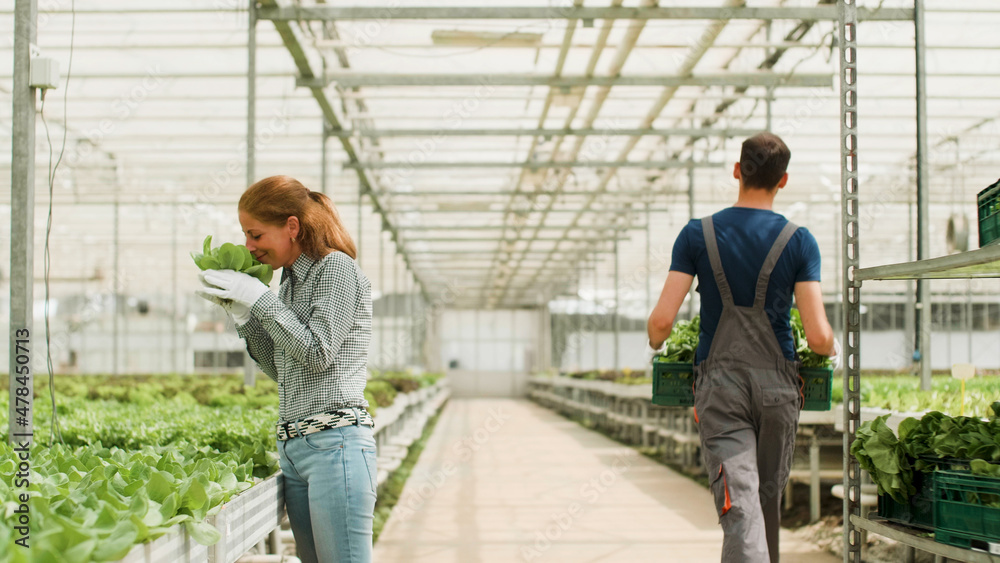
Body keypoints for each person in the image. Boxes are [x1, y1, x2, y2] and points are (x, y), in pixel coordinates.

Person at [645, 133, 839, 563]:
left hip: (722, 391)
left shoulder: (698, 236)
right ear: (783, 180)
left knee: (742, 508)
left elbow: (661, 322)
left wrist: (658, 340)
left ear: (737, 170)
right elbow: (819, 337)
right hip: (778, 391)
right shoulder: (799, 240)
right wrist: (831, 348)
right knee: (760, 505)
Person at [197, 175, 376, 563]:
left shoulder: (336, 269)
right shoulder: (291, 284)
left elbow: (317, 352)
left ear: (291, 227)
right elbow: (285, 367)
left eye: (256, 235)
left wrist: (260, 300)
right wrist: (245, 316)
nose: (249, 247)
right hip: (295, 448)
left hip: (335, 443)